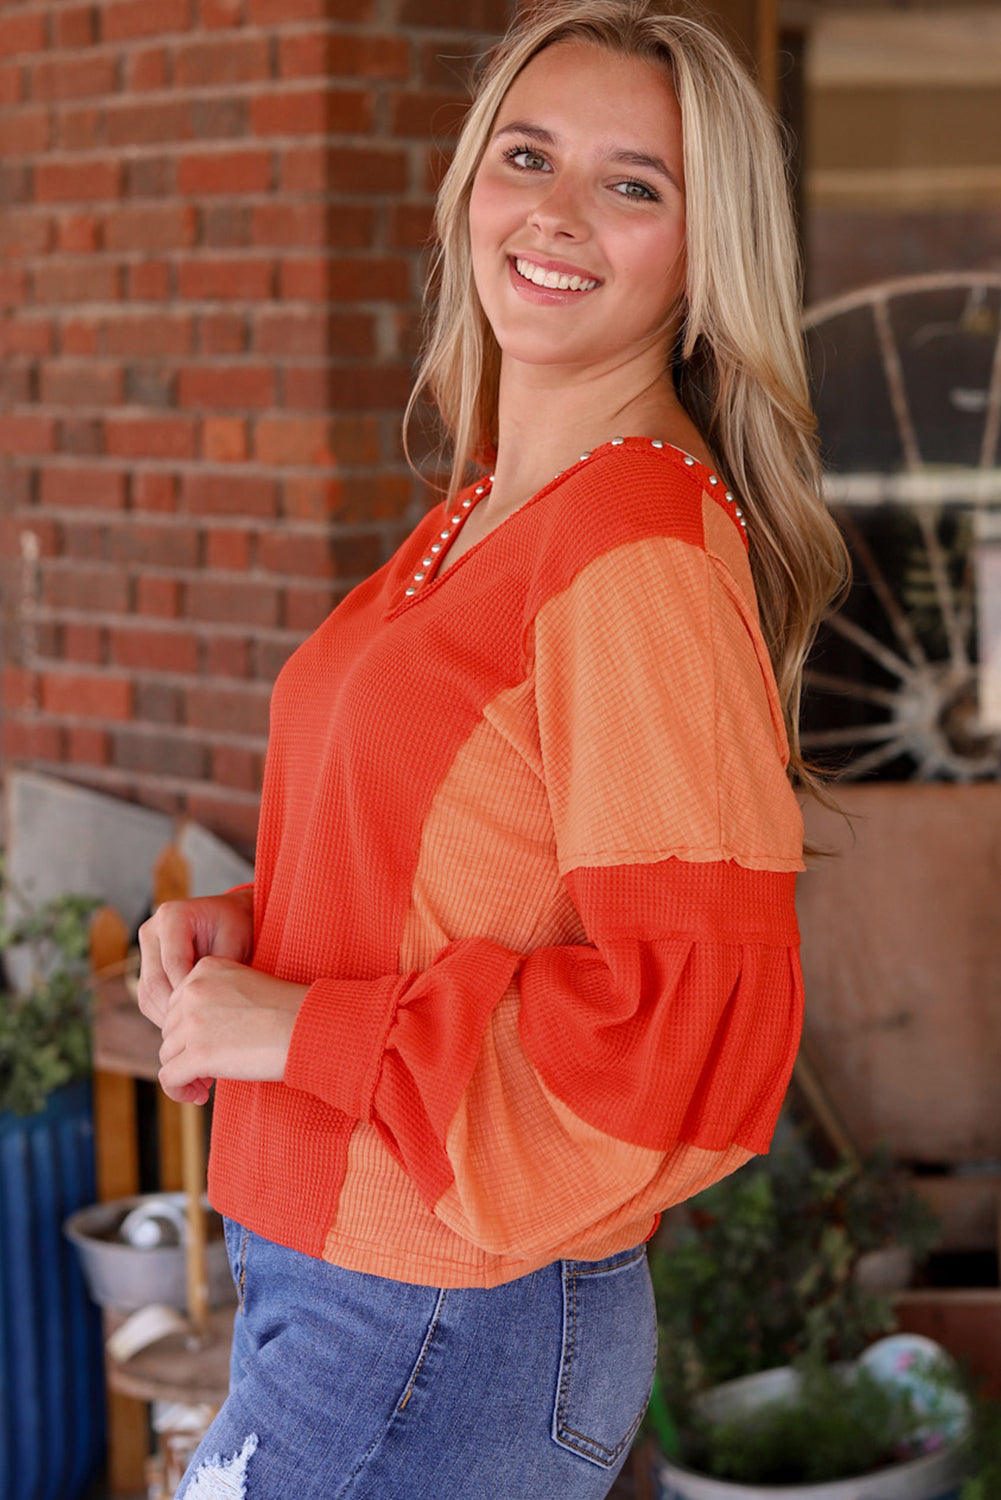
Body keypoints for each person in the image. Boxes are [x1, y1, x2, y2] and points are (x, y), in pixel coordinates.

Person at [138, 2, 848, 1495]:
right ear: (470, 182)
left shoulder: (629, 546)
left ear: (699, 252)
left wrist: (301, 1031)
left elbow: (683, 1019)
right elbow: (466, 864)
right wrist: (256, 938)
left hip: (437, 1312)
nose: (557, 211)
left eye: (631, 183)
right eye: (526, 153)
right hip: (345, 1287)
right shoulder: (484, 509)